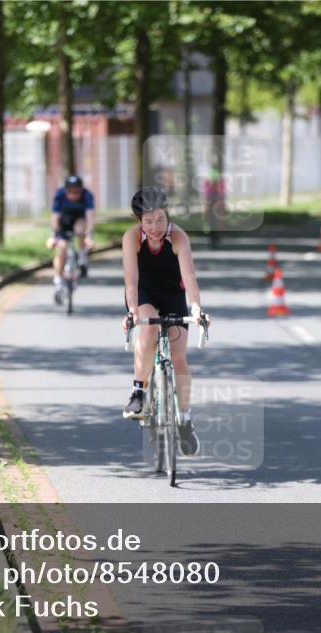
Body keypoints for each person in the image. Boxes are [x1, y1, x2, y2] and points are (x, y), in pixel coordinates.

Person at [121, 186, 208, 456]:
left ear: (167, 215)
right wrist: (133, 311)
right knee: (148, 329)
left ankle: (184, 419)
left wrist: (196, 309)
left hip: (172, 294)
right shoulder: (132, 238)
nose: (156, 226)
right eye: (148, 221)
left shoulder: (178, 237)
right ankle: (138, 392)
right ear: (139, 222)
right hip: (144, 295)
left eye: (160, 219)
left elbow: (190, 277)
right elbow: (131, 281)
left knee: (179, 358)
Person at [46, 175, 96, 304]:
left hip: (79, 221)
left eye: (77, 192)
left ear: (81, 190)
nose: (74, 195)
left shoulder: (87, 195)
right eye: (70, 192)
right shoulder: (59, 195)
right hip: (64, 222)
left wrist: (89, 237)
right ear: (66, 190)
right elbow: (55, 218)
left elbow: (90, 218)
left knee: (80, 229)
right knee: (61, 248)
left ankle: (82, 258)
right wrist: (53, 236)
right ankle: (58, 280)